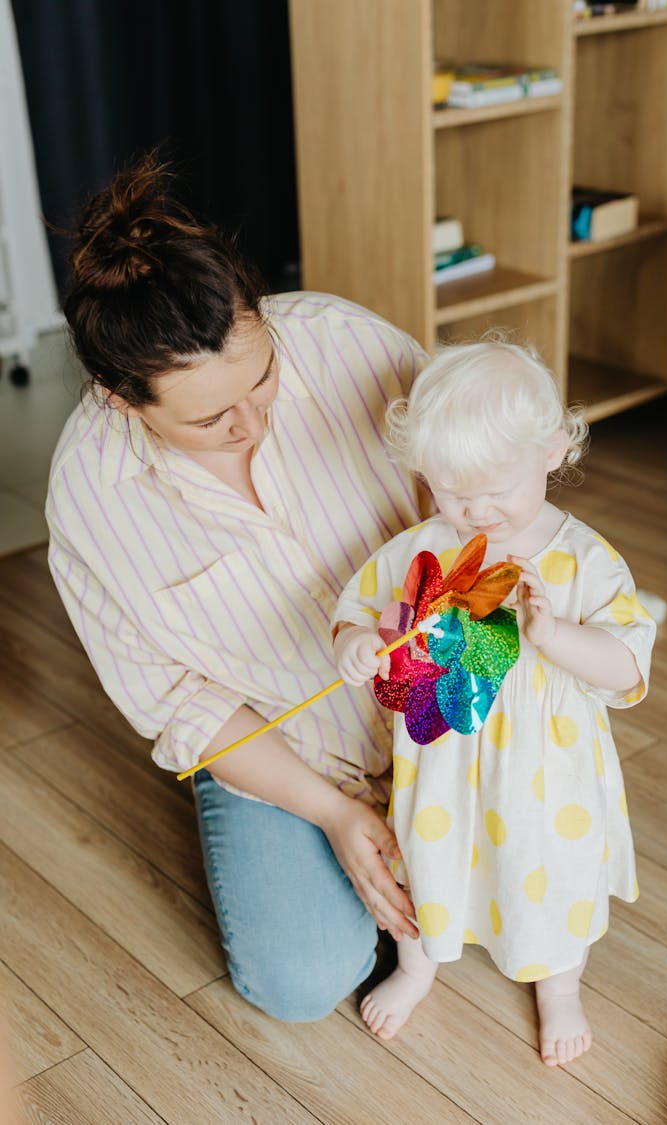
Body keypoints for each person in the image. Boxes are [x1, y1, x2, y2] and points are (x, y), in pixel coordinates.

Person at [46, 151, 431, 1021]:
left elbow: (471, 491)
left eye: (262, 380)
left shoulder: (345, 342)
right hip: (292, 752)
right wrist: (336, 814)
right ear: (121, 400)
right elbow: (181, 702)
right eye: (213, 420)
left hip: (435, 690)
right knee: (300, 982)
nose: (253, 423)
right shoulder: (88, 500)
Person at [333, 338, 656, 1066]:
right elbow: (362, 610)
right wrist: (355, 640)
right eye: (452, 490)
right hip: (443, 756)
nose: (475, 509)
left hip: (547, 770)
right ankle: (417, 965)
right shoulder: (422, 548)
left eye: (495, 487)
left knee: (549, 867)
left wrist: (558, 634)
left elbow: (627, 662)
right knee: (430, 854)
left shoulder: (586, 559)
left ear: (552, 449)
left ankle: (560, 983)